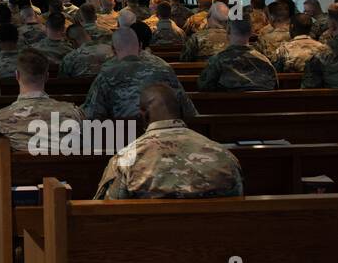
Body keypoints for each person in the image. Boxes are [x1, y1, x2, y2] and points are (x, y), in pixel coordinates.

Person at [95, 83, 243, 200]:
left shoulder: (125, 159)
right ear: (179, 110)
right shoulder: (224, 156)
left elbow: (107, 213)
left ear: (143, 114)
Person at [0, 49, 83, 178]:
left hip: (15, 192)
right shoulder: (74, 113)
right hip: (69, 186)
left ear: (17, 76)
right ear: (47, 77)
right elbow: (87, 151)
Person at [82, 28, 197, 121]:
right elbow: (188, 110)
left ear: (113, 50)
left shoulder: (107, 74)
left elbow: (91, 115)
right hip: (162, 135)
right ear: (141, 46)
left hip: (124, 138)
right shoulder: (163, 67)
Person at [198, 18, 277, 91]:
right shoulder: (265, 61)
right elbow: (275, 86)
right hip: (263, 105)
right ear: (251, 33)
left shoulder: (217, 61)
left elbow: (203, 86)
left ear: (228, 31)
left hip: (227, 106)